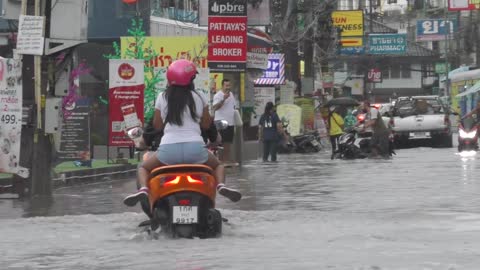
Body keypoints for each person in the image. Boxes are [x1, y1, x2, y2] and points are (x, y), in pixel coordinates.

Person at [123, 60, 241, 207]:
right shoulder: (199, 97)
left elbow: (157, 125)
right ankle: (221, 186)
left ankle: (144, 189)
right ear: (191, 79)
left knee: (143, 167)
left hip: (168, 151)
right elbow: (206, 124)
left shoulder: (162, 97)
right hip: (196, 150)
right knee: (218, 166)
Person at [213, 79, 236, 165]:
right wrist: (223, 99)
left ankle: (226, 160)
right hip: (221, 122)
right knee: (220, 142)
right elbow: (215, 107)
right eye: (226, 85)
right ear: (222, 86)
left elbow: (233, 107)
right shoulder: (218, 95)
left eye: (229, 85)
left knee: (228, 142)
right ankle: (220, 161)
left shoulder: (231, 94)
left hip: (230, 122)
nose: (228, 87)